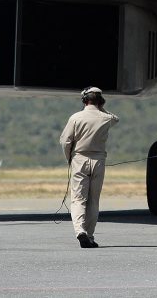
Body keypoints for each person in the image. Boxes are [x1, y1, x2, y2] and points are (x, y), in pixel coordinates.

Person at [60, 86, 119, 248]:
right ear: (100, 101)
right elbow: (115, 118)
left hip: (79, 159)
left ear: (84, 100)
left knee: (79, 199)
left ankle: (80, 232)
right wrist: (101, 108)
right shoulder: (105, 118)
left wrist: (69, 158)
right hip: (98, 160)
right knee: (93, 200)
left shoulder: (75, 118)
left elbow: (65, 141)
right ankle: (90, 236)